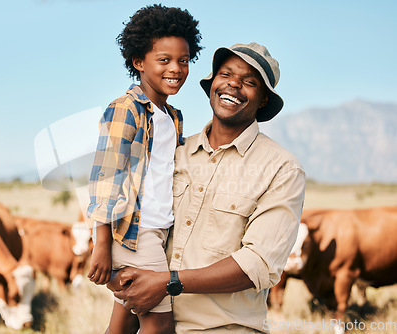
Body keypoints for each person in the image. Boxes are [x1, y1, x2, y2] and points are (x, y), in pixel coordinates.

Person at [112, 42, 306, 333]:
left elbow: (259, 263)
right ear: (212, 83)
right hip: (151, 323)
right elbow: (143, 231)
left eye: (249, 82)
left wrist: (168, 283)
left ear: (263, 99)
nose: (234, 85)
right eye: (226, 74)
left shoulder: (281, 169)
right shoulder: (175, 152)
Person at [86, 4, 202, 334]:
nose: (176, 69)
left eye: (183, 60)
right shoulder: (126, 109)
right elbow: (106, 173)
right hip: (136, 234)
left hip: (159, 231)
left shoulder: (172, 117)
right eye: (163, 60)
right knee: (161, 324)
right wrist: (102, 243)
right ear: (139, 62)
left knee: (123, 324)